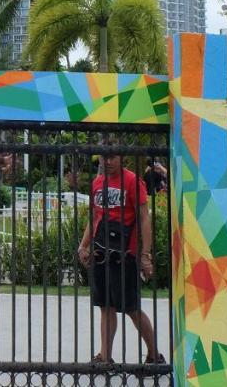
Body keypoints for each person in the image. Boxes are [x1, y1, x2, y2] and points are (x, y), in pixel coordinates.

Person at [77, 151, 162, 365]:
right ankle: (105, 357)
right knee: (105, 306)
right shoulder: (97, 183)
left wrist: (145, 255)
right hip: (100, 252)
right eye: (104, 158)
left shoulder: (133, 181)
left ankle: (154, 355)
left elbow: (144, 218)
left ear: (121, 158)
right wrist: (83, 245)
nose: (107, 161)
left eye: (112, 157)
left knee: (131, 308)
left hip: (125, 254)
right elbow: (94, 217)